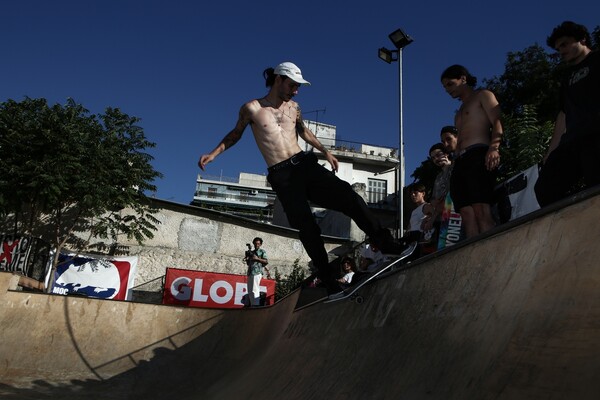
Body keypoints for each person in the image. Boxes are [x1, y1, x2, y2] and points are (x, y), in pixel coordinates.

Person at [199, 62, 406, 295]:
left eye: (298, 87)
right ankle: (328, 278)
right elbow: (235, 134)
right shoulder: (252, 108)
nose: (295, 91)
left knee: (349, 196)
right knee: (307, 227)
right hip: (282, 174)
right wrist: (214, 153)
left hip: (305, 164)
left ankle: (386, 243)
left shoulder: (294, 107)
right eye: (292, 85)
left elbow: (303, 131)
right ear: (278, 79)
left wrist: (327, 152)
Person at [534, 21, 600, 207]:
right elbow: (562, 115)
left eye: (564, 44)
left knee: (595, 182)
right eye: (557, 48)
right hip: (572, 141)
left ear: (582, 39)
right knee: (544, 189)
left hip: (596, 135)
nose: (560, 51)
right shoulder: (567, 78)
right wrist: (550, 152)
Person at [441, 65, 503, 238]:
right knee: (466, 214)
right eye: (445, 87)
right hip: (460, 161)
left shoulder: (483, 95)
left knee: (481, 208)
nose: (448, 90)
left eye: (450, 84)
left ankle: (491, 252)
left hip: (478, 154)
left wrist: (494, 147)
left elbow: (497, 121)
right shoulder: (458, 112)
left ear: (463, 79)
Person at [244, 237, 269, 306]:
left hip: (257, 271)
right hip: (250, 272)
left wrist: (257, 258)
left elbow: (266, 261)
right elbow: (248, 263)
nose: (256, 245)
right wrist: (247, 258)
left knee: (255, 289)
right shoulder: (252, 252)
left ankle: (255, 305)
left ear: (260, 244)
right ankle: (252, 304)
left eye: (258, 243)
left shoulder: (262, 251)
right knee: (250, 290)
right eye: (255, 243)